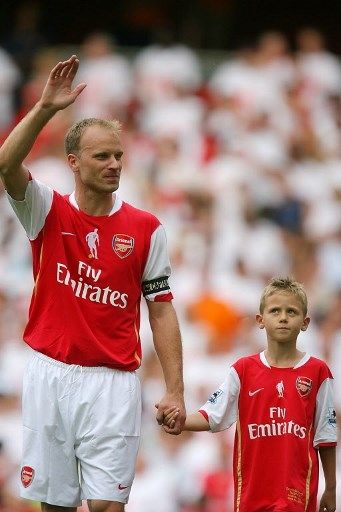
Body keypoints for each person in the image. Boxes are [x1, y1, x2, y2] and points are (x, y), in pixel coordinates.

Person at [0, 55, 186, 512]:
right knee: (55, 507)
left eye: (119, 155)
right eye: (101, 156)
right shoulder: (46, 210)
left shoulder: (147, 229)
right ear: (73, 162)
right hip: (50, 375)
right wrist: (45, 108)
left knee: (106, 507)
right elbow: (6, 163)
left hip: (113, 382)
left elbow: (161, 309)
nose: (114, 164)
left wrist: (175, 389)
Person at [163, 277, 337, 512]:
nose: (283, 317)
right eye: (275, 310)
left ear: (305, 322)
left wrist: (331, 488)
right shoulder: (243, 369)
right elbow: (212, 414)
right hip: (251, 500)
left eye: (291, 312)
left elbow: (326, 436)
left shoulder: (318, 372)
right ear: (260, 320)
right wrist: (181, 420)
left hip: (297, 499)